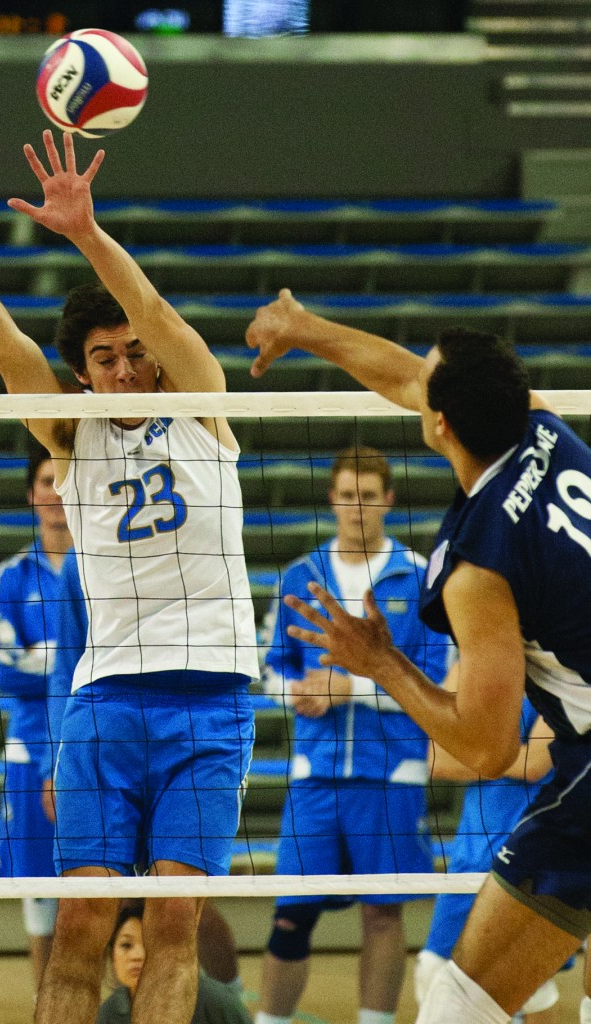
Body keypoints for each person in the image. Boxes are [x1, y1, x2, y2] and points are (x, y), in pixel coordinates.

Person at [0, 130, 258, 1024]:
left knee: (175, 918)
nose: (124, 366)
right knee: (79, 916)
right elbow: (10, 354)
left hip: (212, 697)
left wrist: (84, 232)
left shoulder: (201, 406)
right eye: (104, 358)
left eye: (133, 352)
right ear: (82, 376)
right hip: (105, 696)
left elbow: (152, 308)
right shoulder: (70, 440)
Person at [245, 290, 591, 1024]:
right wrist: (306, 329)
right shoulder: (541, 426)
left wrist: (383, 665)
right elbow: (410, 380)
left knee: (455, 1005)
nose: (414, 389)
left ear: (442, 426)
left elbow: (489, 748)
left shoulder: (479, 566)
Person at [256, 446, 448, 1024]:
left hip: (390, 773)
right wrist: (297, 691)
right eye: (347, 496)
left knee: (383, 914)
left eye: (368, 496)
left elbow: (437, 684)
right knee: (291, 915)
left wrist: (351, 690)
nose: (357, 507)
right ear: (331, 500)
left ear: (388, 500)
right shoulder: (301, 574)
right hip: (314, 773)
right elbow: (270, 667)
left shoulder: (416, 577)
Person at [46, 550, 246, 992]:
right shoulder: (82, 558)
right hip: (108, 729)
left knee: (180, 910)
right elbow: (65, 665)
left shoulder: (200, 529)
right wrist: (51, 763)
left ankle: (226, 1003)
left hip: (195, 722)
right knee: (83, 915)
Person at [0, 442, 73, 991]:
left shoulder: (111, 569)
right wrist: (72, 658)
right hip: (29, 750)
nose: (57, 494)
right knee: (39, 891)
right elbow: (4, 671)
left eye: (64, 481)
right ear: (31, 495)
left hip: (96, 745)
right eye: (46, 482)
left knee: (110, 889)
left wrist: (49, 657)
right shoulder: (8, 579)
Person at [416, 696, 559, 1024]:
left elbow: (534, 764)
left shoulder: (563, 666)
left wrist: (476, 756)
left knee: (529, 981)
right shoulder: (469, 665)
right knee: (435, 966)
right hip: (474, 845)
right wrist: (500, 759)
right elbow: (437, 759)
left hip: (534, 840)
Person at [97, 903, 251, 1024]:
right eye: (126, 945)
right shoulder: (108, 1013)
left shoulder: (216, 1003)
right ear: (111, 955)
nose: (136, 956)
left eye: (148, 943)